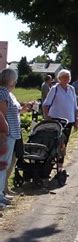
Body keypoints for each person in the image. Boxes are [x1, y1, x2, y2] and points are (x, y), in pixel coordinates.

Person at [42, 69, 78, 174]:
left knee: (63, 144)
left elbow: (75, 107)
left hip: (69, 121)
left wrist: (76, 120)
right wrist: (47, 118)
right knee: (54, 143)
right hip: (56, 120)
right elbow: (46, 104)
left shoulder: (71, 89)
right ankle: (47, 166)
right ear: (59, 78)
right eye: (65, 77)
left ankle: (60, 167)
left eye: (68, 77)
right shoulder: (55, 89)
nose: (67, 79)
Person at [0, 68, 23, 209]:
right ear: (10, 79)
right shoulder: (2, 92)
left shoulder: (7, 93)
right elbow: (1, 115)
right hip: (6, 135)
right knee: (2, 167)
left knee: (5, 166)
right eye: (14, 79)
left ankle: (1, 194)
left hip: (11, 134)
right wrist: (3, 134)